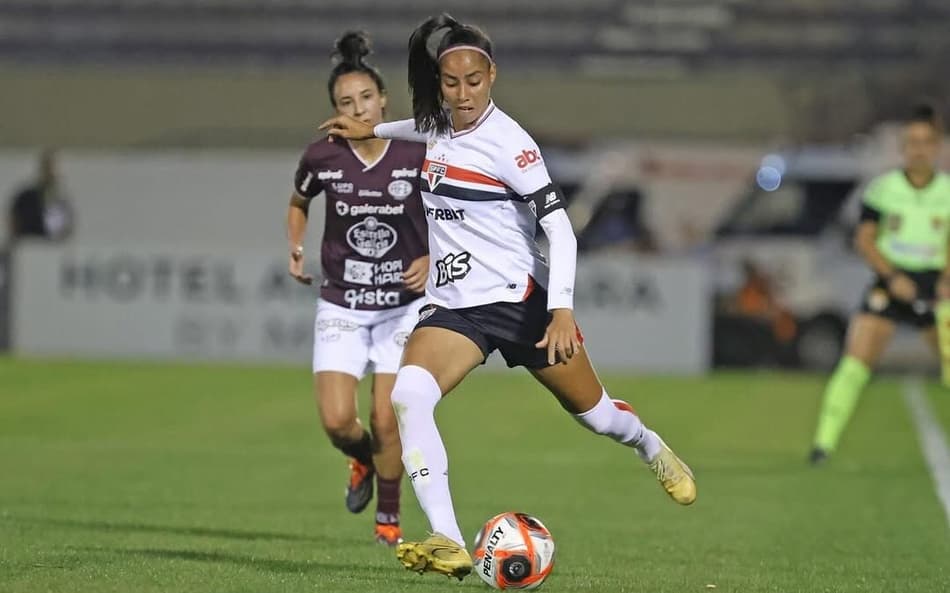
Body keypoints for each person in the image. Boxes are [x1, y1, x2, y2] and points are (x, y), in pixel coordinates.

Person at [319, 14, 696, 579]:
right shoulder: (438, 124)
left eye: (473, 81)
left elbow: (561, 230)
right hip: (455, 307)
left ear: (491, 75)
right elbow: (420, 128)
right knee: (410, 396)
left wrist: (561, 309)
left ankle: (648, 445)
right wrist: (370, 130)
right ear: (441, 83)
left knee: (596, 416)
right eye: (451, 83)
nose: (463, 93)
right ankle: (448, 539)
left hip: (521, 303)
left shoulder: (512, 146)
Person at [287, 31, 429, 546]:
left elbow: (453, 213)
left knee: (386, 418)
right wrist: (296, 245)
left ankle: (388, 518)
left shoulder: (417, 152)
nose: (358, 108)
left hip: (402, 307)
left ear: (384, 99)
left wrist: (432, 257)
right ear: (335, 109)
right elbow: (299, 201)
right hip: (342, 302)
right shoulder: (323, 155)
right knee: (337, 422)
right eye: (346, 101)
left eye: (366, 97)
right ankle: (362, 460)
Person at [809, 103, 950, 465]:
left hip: (935, 287)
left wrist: (946, 282)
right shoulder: (883, 189)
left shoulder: (947, 192)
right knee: (855, 362)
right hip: (891, 282)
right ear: (903, 147)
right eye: (912, 142)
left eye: (926, 142)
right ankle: (823, 445)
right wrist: (892, 277)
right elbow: (865, 240)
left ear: (937, 147)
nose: (919, 150)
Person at [7, 148, 74, 245]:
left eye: (54, 168)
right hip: (29, 246)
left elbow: (67, 230)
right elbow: (13, 226)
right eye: (48, 167)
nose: (52, 172)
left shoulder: (62, 201)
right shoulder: (25, 197)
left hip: (54, 248)